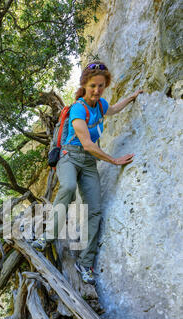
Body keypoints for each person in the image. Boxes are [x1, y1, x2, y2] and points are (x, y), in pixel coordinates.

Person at [32, 61, 143, 284]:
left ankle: (86, 263)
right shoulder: (78, 108)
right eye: (93, 85)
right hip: (70, 157)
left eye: (101, 86)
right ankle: (47, 237)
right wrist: (113, 160)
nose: (97, 90)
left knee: (95, 210)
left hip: (89, 163)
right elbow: (87, 143)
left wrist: (132, 97)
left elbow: (112, 109)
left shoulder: (100, 105)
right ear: (85, 84)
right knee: (69, 188)